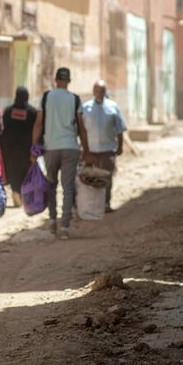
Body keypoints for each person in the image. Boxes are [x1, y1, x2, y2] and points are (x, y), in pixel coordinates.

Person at [31, 67, 87, 240]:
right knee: (68, 187)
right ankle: (65, 227)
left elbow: (38, 124)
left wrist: (34, 147)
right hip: (70, 147)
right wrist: (87, 149)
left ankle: (53, 221)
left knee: (51, 185)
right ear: (68, 81)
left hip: (51, 147)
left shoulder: (47, 97)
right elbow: (81, 127)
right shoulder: (75, 99)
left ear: (56, 80)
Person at [80, 80, 128, 213]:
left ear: (105, 92)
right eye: (97, 91)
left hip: (108, 149)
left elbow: (119, 128)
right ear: (93, 92)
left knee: (106, 178)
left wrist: (120, 146)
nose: (99, 93)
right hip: (91, 151)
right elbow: (81, 130)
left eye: (102, 91)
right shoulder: (86, 108)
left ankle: (106, 203)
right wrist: (83, 149)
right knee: (92, 178)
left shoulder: (113, 107)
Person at [0, 86, 38, 207]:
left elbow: (3, 129)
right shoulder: (32, 112)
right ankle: (23, 195)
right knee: (25, 172)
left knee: (13, 172)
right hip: (26, 149)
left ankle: (16, 193)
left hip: (10, 149)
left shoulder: (8, 111)